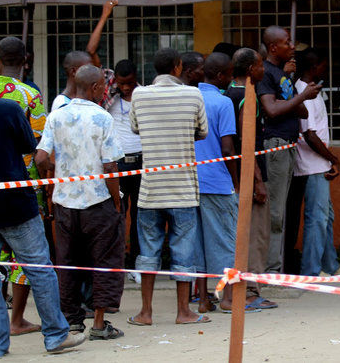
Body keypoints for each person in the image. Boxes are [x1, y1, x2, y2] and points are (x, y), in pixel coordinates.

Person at [36, 65, 126, 340]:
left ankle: (73, 322)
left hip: (65, 201)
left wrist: (55, 181)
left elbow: (40, 159)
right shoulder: (102, 118)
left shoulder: (56, 115)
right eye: (103, 86)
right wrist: (116, 200)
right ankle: (99, 324)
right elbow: (110, 165)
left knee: (68, 262)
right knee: (105, 260)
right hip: (98, 201)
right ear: (97, 87)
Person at [128, 48, 210, 326]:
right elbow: (202, 131)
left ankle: (145, 312)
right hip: (183, 188)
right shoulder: (193, 94)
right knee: (184, 251)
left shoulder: (139, 95)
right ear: (178, 67)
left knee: (148, 250)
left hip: (150, 189)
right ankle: (183, 312)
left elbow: (136, 128)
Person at [0, 98, 86, 355]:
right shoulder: (8, 109)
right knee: (39, 269)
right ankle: (56, 336)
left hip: (14, 205)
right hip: (15, 205)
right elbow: (30, 148)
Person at [257, 25, 320, 273]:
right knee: (275, 213)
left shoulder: (283, 75)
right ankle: (271, 270)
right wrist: (301, 97)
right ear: (273, 47)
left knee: (281, 211)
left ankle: (275, 267)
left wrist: (294, 100)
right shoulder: (266, 74)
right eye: (287, 42)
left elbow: (301, 112)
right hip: (276, 146)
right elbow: (272, 110)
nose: (292, 46)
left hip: (288, 146)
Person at [0, 36, 48, 336]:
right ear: (26, 61)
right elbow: (38, 146)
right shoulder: (30, 95)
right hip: (21, 188)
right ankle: (17, 319)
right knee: (26, 257)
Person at [225, 47, 277, 309]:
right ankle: (250, 292)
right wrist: (258, 181)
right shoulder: (247, 97)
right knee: (255, 235)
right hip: (249, 175)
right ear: (249, 71)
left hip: (230, 177)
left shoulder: (226, 94)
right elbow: (247, 143)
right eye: (259, 65)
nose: (263, 69)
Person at [194, 52, 244, 312]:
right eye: (230, 73)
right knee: (227, 241)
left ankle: (203, 299)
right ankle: (228, 299)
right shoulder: (223, 103)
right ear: (221, 75)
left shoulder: (190, 99)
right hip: (217, 181)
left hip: (191, 183)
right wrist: (235, 182)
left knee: (199, 242)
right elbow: (227, 147)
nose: (233, 78)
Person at [293, 48, 340, 277]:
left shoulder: (311, 91)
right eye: (324, 65)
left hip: (318, 163)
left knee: (325, 216)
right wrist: (333, 159)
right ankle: (311, 270)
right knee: (317, 218)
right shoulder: (303, 92)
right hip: (311, 164)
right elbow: (309, 134)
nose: (326, 69)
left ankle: (330, 264)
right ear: (314, 67)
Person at [108, 59, 142, 283]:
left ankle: (137, 263)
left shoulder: (145, 96)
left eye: (129, 82)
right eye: (121, 84)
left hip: (142, 162)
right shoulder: (109, 98)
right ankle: (115, 263)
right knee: (117, 214)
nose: (126, 87)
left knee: (140, 215)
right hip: (118, 164)